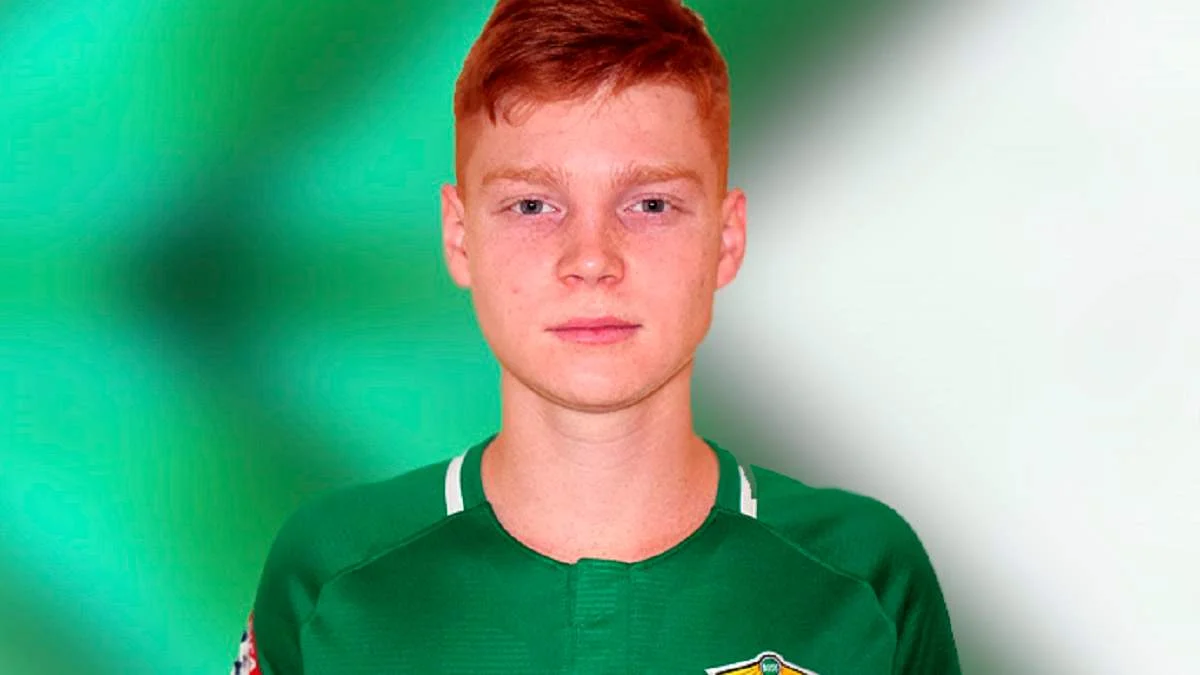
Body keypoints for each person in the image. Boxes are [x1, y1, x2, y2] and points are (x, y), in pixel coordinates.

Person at [231, 1, 962, 673]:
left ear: (727, 238)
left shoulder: (865, 577)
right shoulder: (330, 575)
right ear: (459, 236)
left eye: (650, 204)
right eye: (532, 205)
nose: (590, 259)